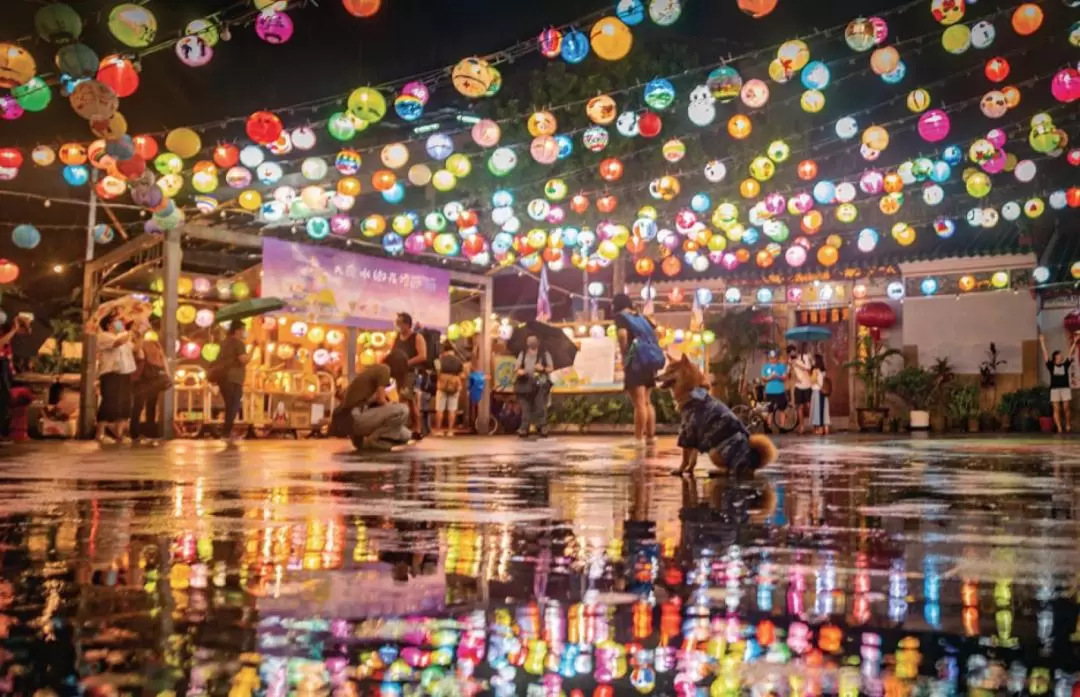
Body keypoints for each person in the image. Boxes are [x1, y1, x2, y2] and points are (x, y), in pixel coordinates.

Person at [330, 350, 412, 450]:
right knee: (402, 410)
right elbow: (380, 399)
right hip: (354, 417)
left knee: (406, 435)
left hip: (354, 418)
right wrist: (392, 404)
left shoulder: (373, 371)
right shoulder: (384, 369)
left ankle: (368, 445)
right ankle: (375, 440)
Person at [613, 293, 660, 448]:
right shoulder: (641, 317)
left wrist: (624, 351)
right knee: (647, 401)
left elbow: (622, 334)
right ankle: (651, 436)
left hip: (635, 362)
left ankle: (638, 438)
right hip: (649, 361)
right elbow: (656, 333)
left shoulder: (621, 317)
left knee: (639, 402)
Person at [95, 313, 137, 444]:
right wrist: (130, 331)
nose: (120, 324)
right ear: (108, 325)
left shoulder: (124, 336)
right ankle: (100, 433)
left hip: (125, 372)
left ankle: (119, 434)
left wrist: (139, 335)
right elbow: (118, 343)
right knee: (109, 401)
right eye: (117, 322)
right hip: (110, 372)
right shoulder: (103, 336)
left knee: (124, 402)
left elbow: (136, 349)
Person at [391, 312, 428, 439]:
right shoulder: (397, 338)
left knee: (403, 398)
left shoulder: (416, 337)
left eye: (400, 323)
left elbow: (423, 356)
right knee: (410, 402)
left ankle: (401, 428)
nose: (398, 326)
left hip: (412, 373)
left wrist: (406, 362)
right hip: (400, 374)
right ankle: (417, 429)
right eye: (397, 323)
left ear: (407, 324)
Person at [130, 323, 167, 443]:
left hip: (149, 377)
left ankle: (144, 433)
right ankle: (139, 433)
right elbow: (137, 351)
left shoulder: (153, 343)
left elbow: (162, 359)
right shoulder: (140, 343)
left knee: (146, 406)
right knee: (143, 406)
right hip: (145, 377)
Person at [216, 321, 250, 444]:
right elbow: (243, 359)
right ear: (237, 331)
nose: (244, 332)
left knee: (229, 405)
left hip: (222, 377)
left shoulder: (224, 343)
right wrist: (251, 351)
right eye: (243, 330)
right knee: (234, 405)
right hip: (234, 378)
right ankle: (226, 432)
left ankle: (226, 431)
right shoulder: (238, 343)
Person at [515, 332, 553, 438]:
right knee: (525, 407)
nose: (532, 342)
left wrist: (543, 368)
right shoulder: (522, 354)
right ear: (527, 342)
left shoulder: (544, 354)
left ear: (538, 342)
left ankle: (542, 427)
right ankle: (524, 428)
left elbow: (551, 368)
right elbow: (517, 369)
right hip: (525, 384)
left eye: (534, 340)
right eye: (529, 340)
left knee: (540, 405)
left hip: (540, 383)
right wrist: (520, 371)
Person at [0, 314, 30, 444]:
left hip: (6, 371)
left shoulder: (9, 341)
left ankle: (2, 433)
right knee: (3, 400)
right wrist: (14, 329)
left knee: (5, 401)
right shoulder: (5, 337)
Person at [1040, 333, 1078, 433]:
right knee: (1056, 409)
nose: (1061, 356)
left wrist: (1074, 342)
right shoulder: (1051, 365)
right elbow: (1045, 355)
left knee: (1066, 408)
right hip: (1054, 389)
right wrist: (1042, 342)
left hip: (1065, 388)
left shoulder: (1065, 365)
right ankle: (1059, 428)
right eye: (1059, 355)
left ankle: (1068, 425)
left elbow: (1070, 354)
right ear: (1056, 357)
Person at [433, 341, 465, 437]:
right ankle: (450, 431)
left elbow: (437, 373)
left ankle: (438, 430)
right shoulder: (459, 361)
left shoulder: (439, 360)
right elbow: (462, 374)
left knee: (440, 409)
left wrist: (441, 378)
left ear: (444, 351)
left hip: (442, 386)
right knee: (452, 409)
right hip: (454, 386)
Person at [788, 344, 813, 435]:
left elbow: (809, 368)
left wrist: (797, 365)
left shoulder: (804, 357)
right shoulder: (790, 360)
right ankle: (801, 426)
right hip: (798, 386)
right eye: (790, 353)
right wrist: (791, 366)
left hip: (807, 385)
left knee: (809, 406)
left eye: (793, 351)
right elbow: (789, 374)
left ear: (796, 351)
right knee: (799, 407)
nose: (792, 354)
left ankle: (814, 425)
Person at [761, 350, 788, 430]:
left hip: (780, 391)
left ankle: (782, 426)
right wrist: (770, 377)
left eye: (774, 358)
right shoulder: (765, 367)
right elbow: (763, 378)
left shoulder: (781, 366)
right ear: (769, 358)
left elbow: (785, 378)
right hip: (770, 391)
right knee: (770, 410)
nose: (773, 359)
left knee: (782, 409)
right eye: (771, 358)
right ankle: (769, 427)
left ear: (777, 358)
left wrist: (778, 376)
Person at [810, 353, 831, 436]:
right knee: (823, 410)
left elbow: (813, 381)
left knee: (819, 411)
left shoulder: (816, 371)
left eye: (813, 360)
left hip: (818, 392)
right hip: (822, 392)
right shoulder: (823, 371)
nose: (812, 361)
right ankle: (824, 428)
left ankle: (820, 429)